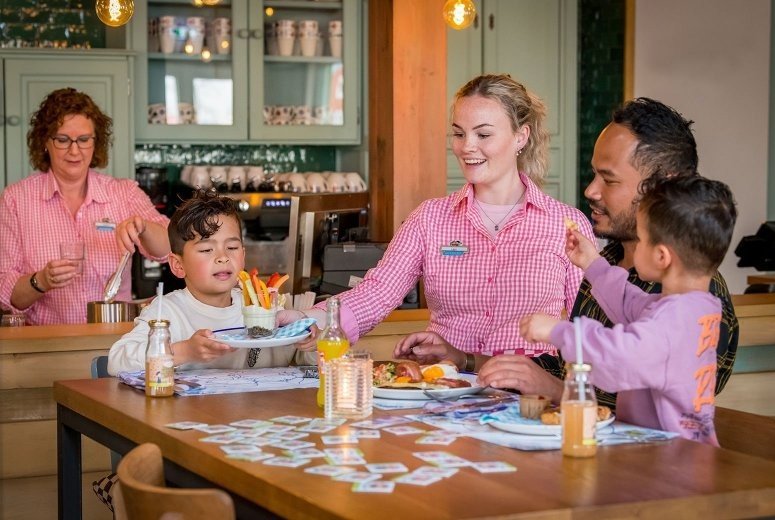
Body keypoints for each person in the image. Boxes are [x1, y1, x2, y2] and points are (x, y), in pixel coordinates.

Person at [284, 73, 594, 369]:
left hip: (531, 398)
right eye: (459, 133)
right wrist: (311, 319)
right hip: (446, 389)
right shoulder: (430, 218)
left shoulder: (565, 224)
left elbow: (590, 329)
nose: (466, 146)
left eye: (483, 134)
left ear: (521, 137)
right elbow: (377, 292)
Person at [478, 98, 740, 408]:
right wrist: (469, 360)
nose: (590, 190)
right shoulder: (612, 261)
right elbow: (569, 368)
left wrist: (559, 372)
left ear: (663, 188)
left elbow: (626, 384)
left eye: (609, 179)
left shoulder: (694, 300)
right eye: (594, 175)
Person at [519, 175, 737, 445]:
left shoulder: (673, 321)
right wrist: (592, 263)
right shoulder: (695, 308)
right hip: (671, 456)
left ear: (661, 257)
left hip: (669, 467)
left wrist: (558, 331)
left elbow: (616, 357)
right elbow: (628, 302)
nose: (637, 246)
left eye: (642, 239)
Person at [0, 88, 170, 325]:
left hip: (114, 342)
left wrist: (144, 227)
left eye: (83, 140)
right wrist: (42, 280)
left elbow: (169, 249)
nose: (74, 150)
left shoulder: (123, 193)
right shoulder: (16, 200)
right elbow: (7, 296)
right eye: (62, 140)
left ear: (95, 141)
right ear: (45, 142)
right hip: (46, 344)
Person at [107, 190, 316, 375]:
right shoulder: (167, 312)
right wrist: (184, 351)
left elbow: (309, 361)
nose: (222, 257)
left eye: (232, 248)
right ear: (178, 265)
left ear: (243, 256)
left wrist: (312, 341)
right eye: (207, 250)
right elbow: (117, 361)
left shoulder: (268, 308)